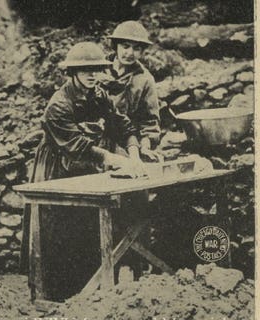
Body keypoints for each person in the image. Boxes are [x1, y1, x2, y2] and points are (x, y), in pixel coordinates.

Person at [20, 42, 145, 301]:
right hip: (57, 168)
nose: (92, 75)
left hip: (85, 167)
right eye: (85, 70)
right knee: (58, 228)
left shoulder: (99, 95)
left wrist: (134, 153)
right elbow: (76, 146)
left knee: (86, 227)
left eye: (96, 69)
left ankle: (88, 293)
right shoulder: (58, 104)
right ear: (73, 72)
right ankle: (55, 296)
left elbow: (120, 124)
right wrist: (115, 160)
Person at [105, 20, 162, 162]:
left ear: (142, 52)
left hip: (129, 143)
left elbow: (149, 121)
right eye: (125, 46)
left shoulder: (145, 79)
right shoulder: (98, 70)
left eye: (136, 48)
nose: (130, 53)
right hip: (95, 138)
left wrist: (145, 146)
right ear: (115, 46)